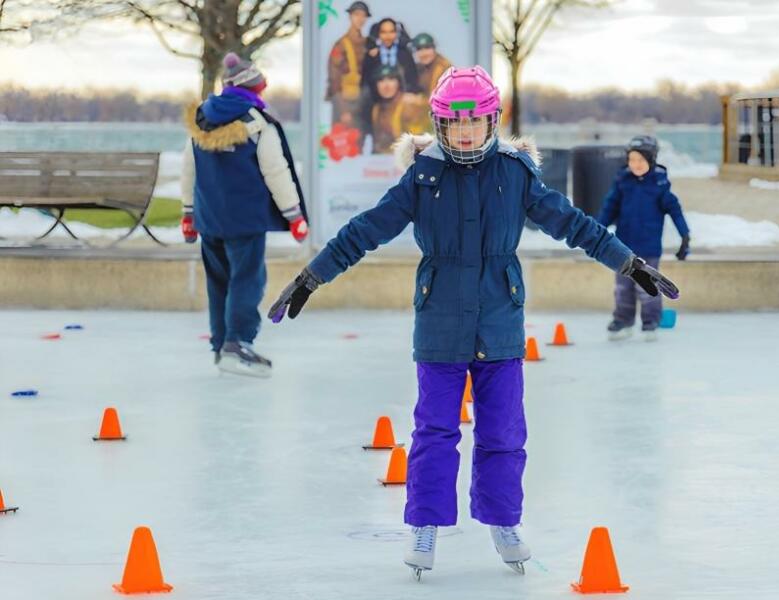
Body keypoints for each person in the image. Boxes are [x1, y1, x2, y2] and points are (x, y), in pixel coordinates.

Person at [267, 66, 678, 579]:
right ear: (439, 125)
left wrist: (628, 261)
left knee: (503, 431)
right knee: (434, 431)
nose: (464, 133)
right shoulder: (422, 177)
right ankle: (425, 525)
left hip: (500, 320)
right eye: (454, 124)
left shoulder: (515, 173)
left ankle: (504, 522)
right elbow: (363, 231)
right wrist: (311, 276)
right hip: (439, 319)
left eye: (475, 123)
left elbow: (574, 224)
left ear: (491, 123)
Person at [180, 52, 309, 378]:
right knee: (247, 282)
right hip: (245, 220)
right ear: (254, 88)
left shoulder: (201, 119)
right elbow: (276, 172)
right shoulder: (258, 121)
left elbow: (188, 169)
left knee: (219, 282)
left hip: (210, 219)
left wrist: (187, 213)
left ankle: (221, 344)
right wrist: (294, 215)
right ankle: (238, 344)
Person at [597, 135, 690, 342]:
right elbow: (609, 208)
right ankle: (623, 320)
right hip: (622, 249)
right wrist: (596, 231)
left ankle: (650, 322)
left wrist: (685, 236)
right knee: (622, 288)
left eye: (641, 160)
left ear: (651, 160)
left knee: (647, 288)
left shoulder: (659, 185)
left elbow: (675, 211)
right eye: (632, 160)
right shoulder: (623, 182)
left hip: (648, 248)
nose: (636, 165)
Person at [326, 1, 370, 134]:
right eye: (357, 14)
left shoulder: (367, 43)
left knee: (360, 142)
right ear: (350, 16)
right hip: (345, 103)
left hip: (362, 103)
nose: (360, 19)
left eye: (363, 15)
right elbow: (334, 79)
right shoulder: (340, 45)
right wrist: (343, 110)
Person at [369, 65, 430, 154]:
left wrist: (458, 105)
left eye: (391, 79)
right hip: (385, 161)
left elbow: (446, 105)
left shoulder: (411, 102)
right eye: (381, 80)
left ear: (398, 83)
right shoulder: (377, 109)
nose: (386, 85)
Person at [361, 17, 421, 96]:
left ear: (396, 33)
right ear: (378, 34)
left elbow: (413, 78)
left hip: (402, 97)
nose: (388, 36)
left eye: (391, 32)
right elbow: (365, 82)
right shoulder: (372, 55)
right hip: (377, 97)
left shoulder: (405, 54)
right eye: (384, 32)